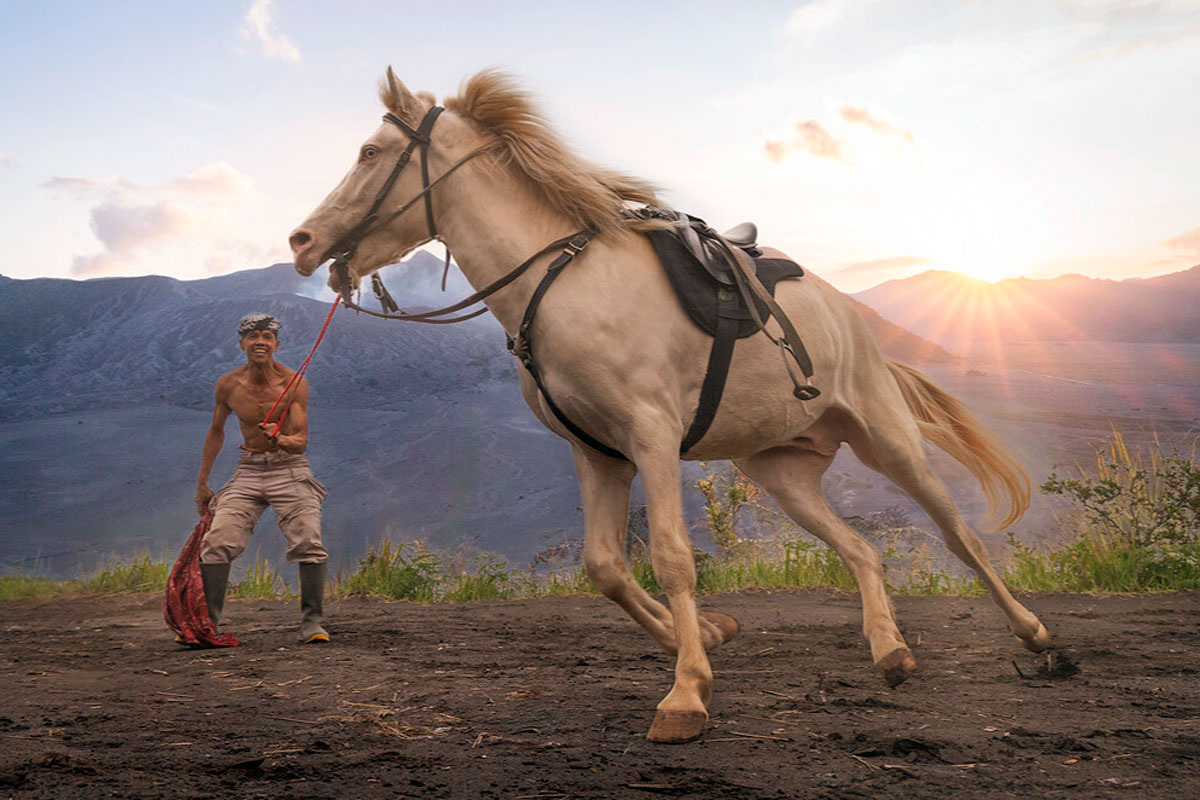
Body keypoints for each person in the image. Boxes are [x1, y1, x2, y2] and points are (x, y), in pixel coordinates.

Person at [193, 312, 330, 644]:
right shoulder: (227, 385)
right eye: (253, 335)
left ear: (277, 345)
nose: (260, 341)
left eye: (267, 336)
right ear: (242, 344)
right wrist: (203, 483)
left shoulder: (294, 384)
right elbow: (216, 432)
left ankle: (312, 622)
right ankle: (208, 623)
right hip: (248, 469)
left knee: (308, 540)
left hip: (289, 469)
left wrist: (280, 439)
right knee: (217, 540)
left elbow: (301, 443)